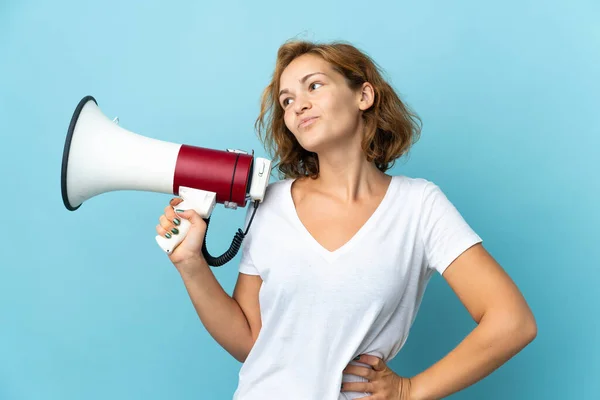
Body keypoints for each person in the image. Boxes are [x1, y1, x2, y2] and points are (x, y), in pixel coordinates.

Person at [155, 40, 537, 400]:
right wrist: (191, 264)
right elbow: (251, 342)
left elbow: (512, 321)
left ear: (363, 96)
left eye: (314, 86)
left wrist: (411, 391)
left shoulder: (419, 206)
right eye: (286, 101)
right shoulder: (269, 205)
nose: (297, 106)